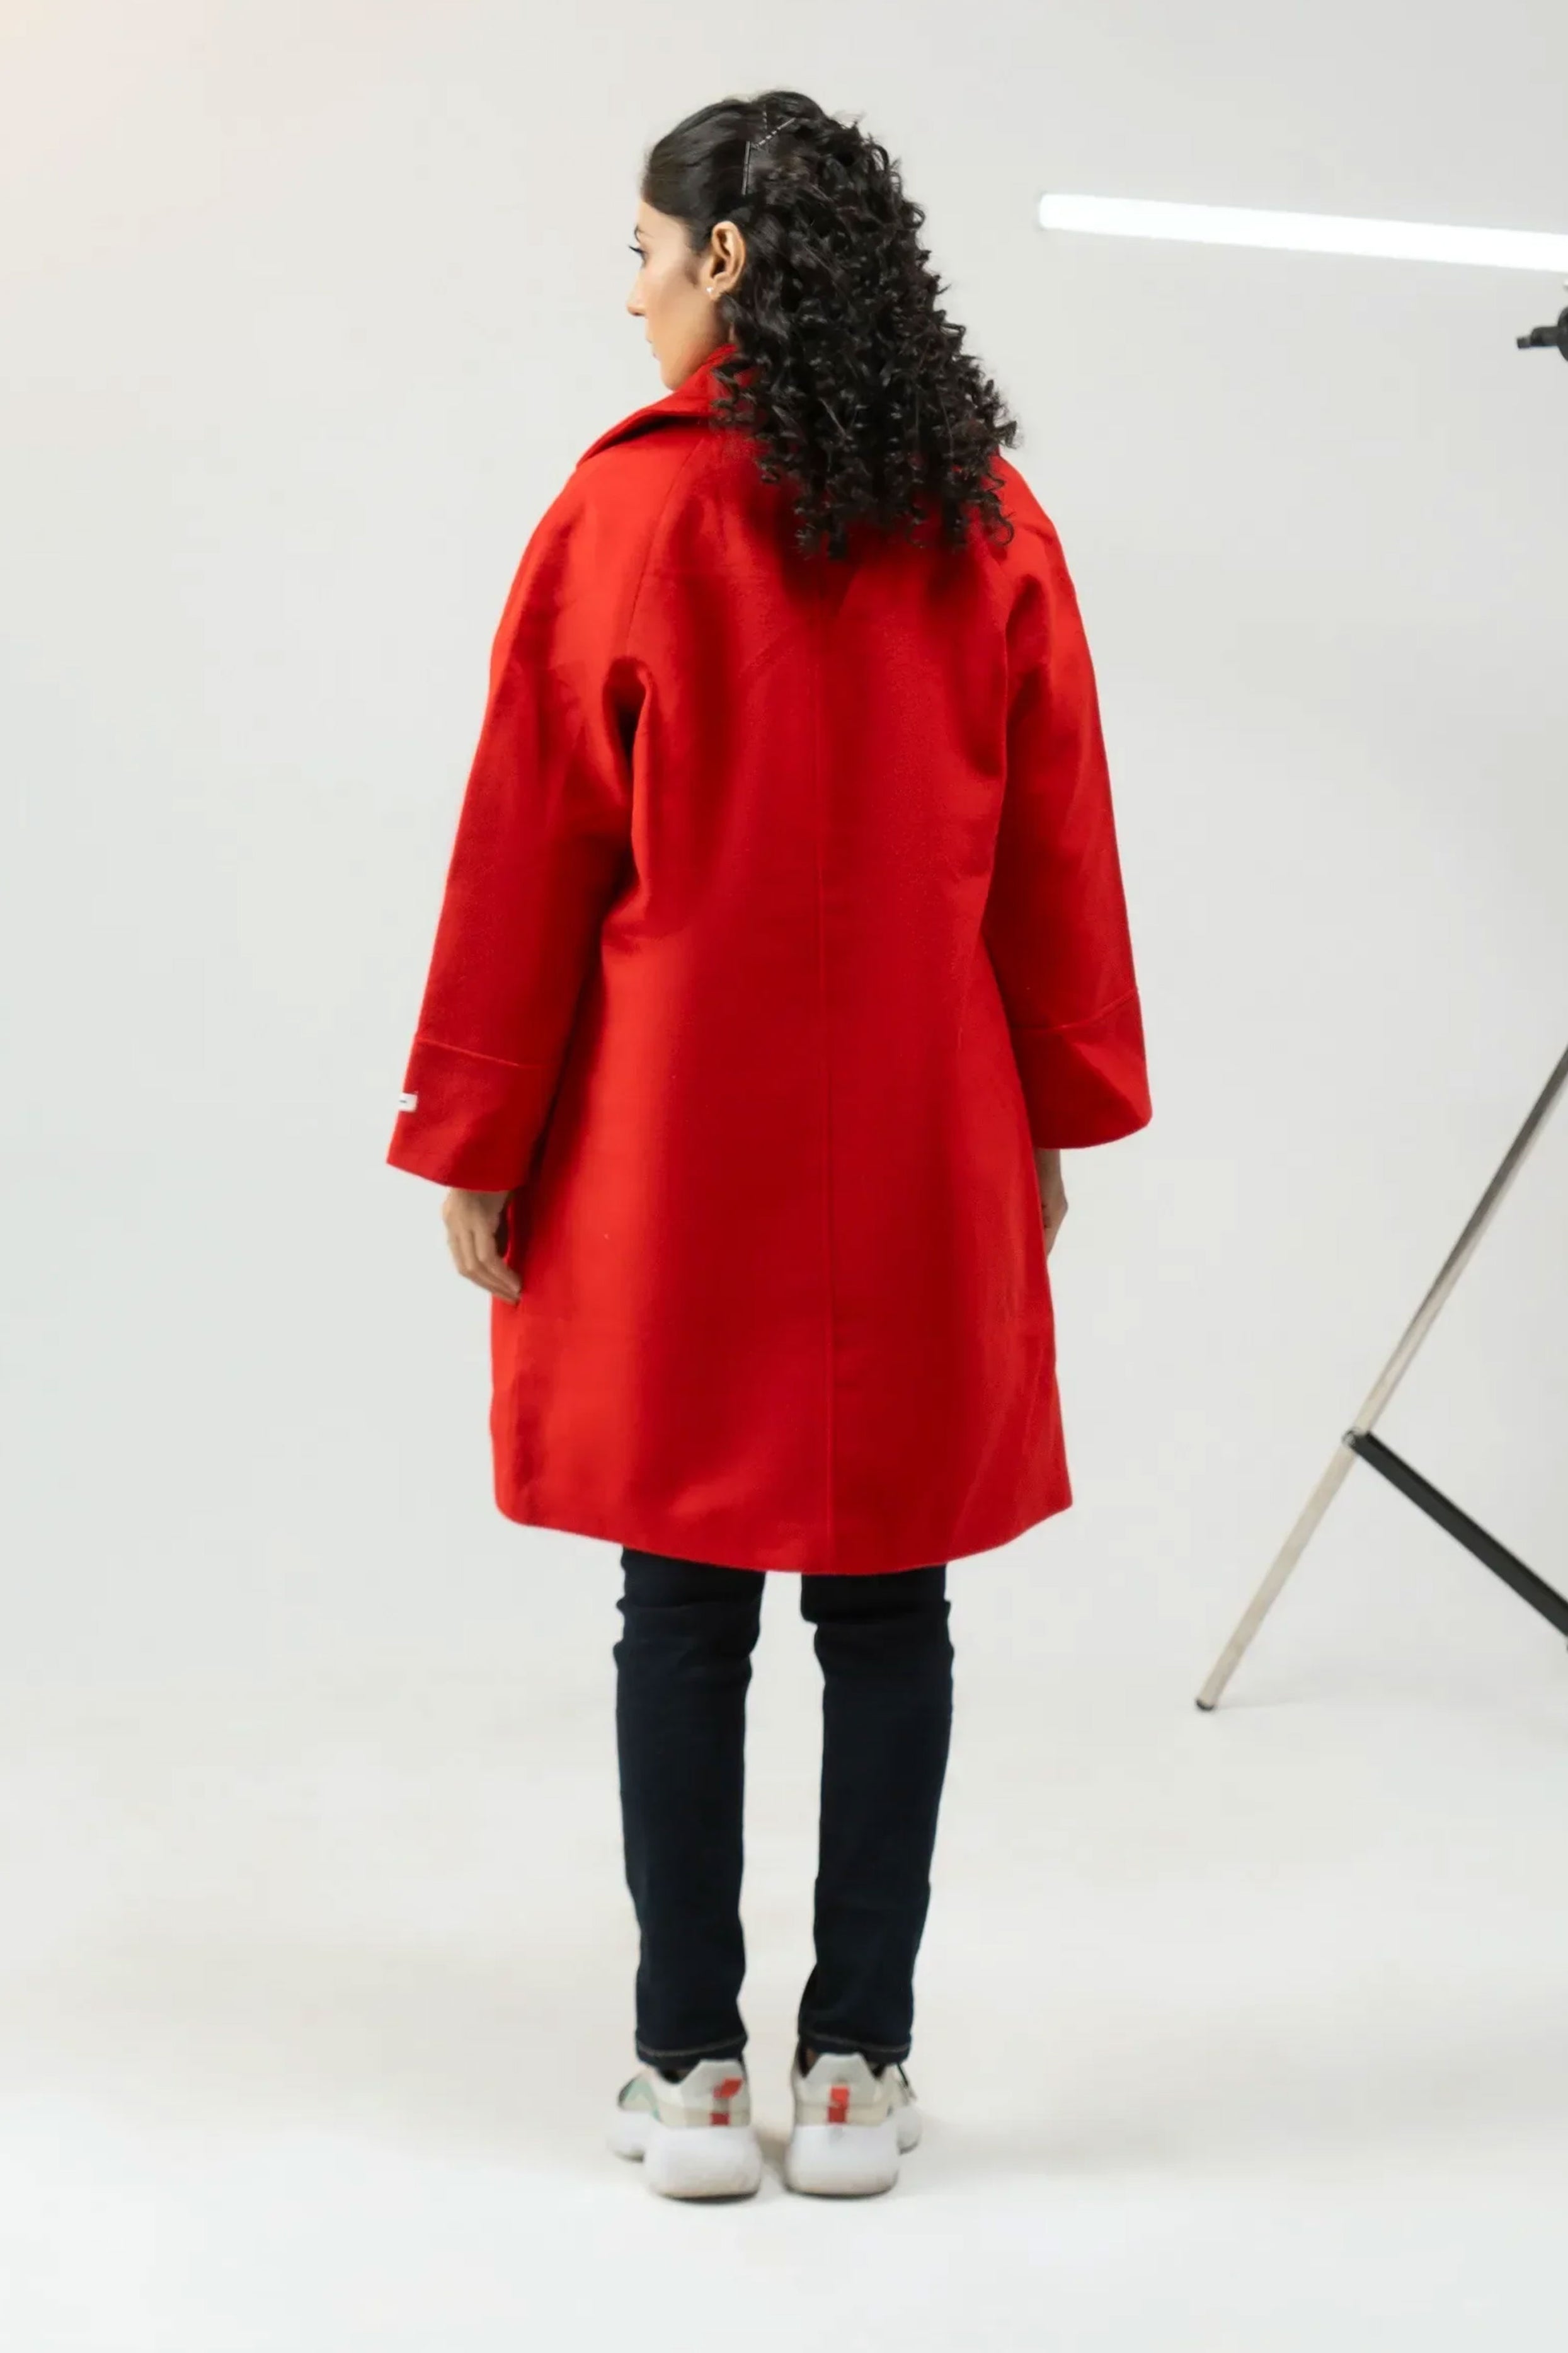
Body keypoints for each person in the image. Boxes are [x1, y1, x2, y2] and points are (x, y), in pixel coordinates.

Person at [385, 89, 1152, 2201]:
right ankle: (857, 2070)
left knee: (682, 1596)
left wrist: (479, 1126)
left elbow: (528, 846)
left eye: (643, 252)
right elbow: (1055, 851)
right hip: (917, 1127)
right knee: (888, 1604)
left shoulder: (625, 517)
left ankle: (690, 2077)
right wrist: (1052, 1108)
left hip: (666, 1139)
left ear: (723, 262)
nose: (628, 293)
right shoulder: (983, 519)